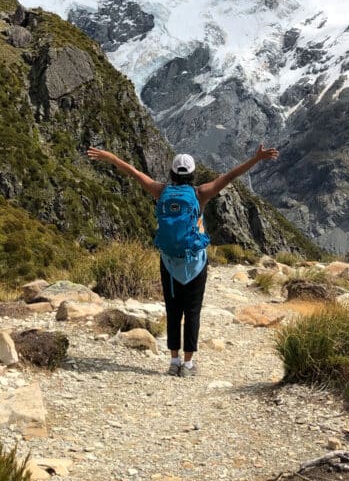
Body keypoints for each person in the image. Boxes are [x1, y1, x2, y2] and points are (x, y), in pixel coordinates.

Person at [86, 143, 279, 377]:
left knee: (173, 311)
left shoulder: (161, 191)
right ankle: (188, 365)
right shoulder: (201, 193)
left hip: (169, 261)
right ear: (193, 174)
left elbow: (134, 173)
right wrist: (256, 158)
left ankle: (174, 361)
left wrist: (109, 156)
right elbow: (230, 176)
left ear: (172, 173)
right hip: (195, 263)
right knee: (192, 312)